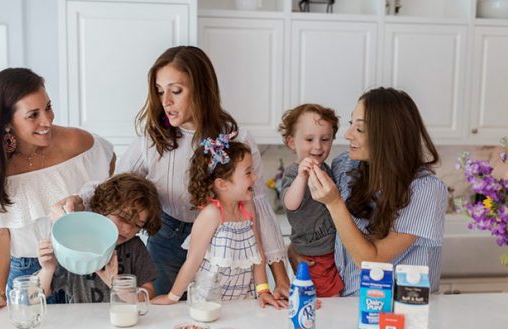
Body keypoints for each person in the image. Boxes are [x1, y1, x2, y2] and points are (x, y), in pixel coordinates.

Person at [53, 46, 290, 301]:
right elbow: (115, 187)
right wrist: (80, 200)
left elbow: (259, 206)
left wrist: (281, 279)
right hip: (165, 242)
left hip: (219, 245)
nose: (165, 101)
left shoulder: (235, 139)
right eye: (159, 91)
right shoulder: (153, 138)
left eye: (176, 91)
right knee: (164, 318)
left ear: (200, 89)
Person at [0, 68, 115, 319]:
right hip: (25, 273)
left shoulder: (77, 142)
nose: (47, 121)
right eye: (33, 115)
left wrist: (83, 201)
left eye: (48, 107)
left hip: (81, 266)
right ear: (6, 122)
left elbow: (109, 175)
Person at [307, 87, 448, 296]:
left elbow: (371, 261)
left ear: (387, 136)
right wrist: (298, 252)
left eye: (360, 129)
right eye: (350, 125)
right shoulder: (345, 166)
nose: (347, 135)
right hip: (345, 303)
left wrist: (334, 203)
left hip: (400, 310)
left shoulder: (425, 189)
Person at [152, 135, 280, 307]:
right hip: (208, 304)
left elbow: (258, 254)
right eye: (248, 172)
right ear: (222, 184)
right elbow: (192, 262)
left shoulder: (247, 208)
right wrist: (171, 297)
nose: (255, 177)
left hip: (243, 302)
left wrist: (263, 290)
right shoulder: (212, 214)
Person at [38, 173, 160, 302]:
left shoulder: (135, 248)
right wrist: (47, 269)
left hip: (124, 319)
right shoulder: (74, 246)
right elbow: (35, 297)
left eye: (137, 225)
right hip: (84, 321)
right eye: (123, 217)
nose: (128, 229)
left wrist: (117, 285)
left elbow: (149, 296)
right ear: (103, 208)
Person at [279, 104, 344, 297]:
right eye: (309, 139)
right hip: (312, 255)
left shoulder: (326, 168)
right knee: (325, 300)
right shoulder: (293, 172)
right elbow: (291, 204)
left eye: (325, 139)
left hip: (331, 250)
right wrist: (302, 177)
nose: (318, 146)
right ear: (292, 142)